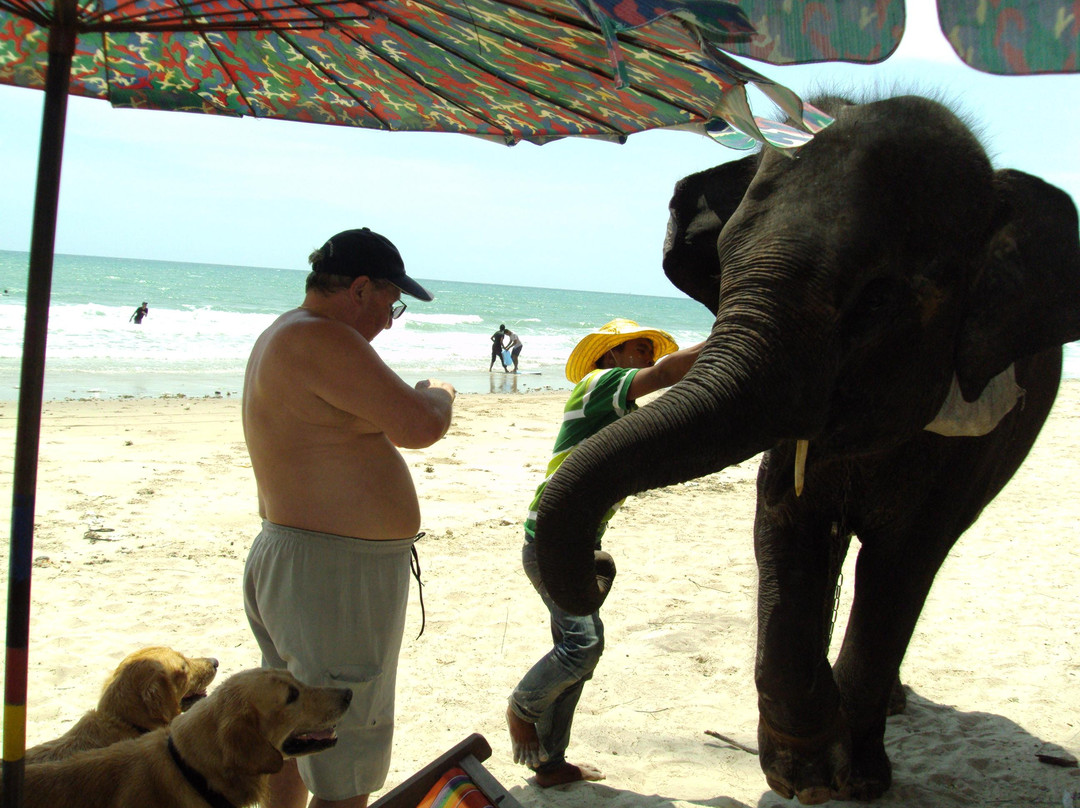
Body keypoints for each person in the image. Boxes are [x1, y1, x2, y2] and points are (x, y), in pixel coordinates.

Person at [242, 227, 456, 808]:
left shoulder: (286, 334)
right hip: (332, 572)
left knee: (295, 724)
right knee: (344, 736)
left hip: (301, 560)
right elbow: (419, 426)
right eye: (391, 304)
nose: (390, 320)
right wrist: (439, 392)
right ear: (360, 288)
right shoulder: (320, 339)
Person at [506, 318, 704, 788]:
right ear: (610, 356)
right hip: (553, 539)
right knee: (583, 646)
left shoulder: (623, 413)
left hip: (575, 541)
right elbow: (669, 372)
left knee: (575, 657)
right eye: (638, 348)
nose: (647, 356)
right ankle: (521, 708)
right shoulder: (601, 384)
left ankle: (549, 764)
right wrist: (735, 331)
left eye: (647, 348)